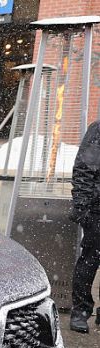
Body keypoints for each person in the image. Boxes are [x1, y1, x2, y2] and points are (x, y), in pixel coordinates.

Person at [69, 119, 100, 333]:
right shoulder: (98, 130)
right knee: (90, 260)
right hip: (97, 209)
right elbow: (84, 169)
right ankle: (80, 311)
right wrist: (82, 205)